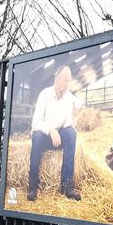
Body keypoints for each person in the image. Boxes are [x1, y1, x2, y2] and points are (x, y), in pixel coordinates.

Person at [27, 65, 82, 202]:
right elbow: (36, 123)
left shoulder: (69, 97)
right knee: (37, 136)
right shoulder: (44, 94)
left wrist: (75, 116)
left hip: (59, 138)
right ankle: (33, 186)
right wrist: (50, 130)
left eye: (69, 81)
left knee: (71, 133)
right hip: (45, 136)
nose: (67, 84)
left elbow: (68, 124)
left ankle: (66, 186)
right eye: (65, 80)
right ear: (57, 79)